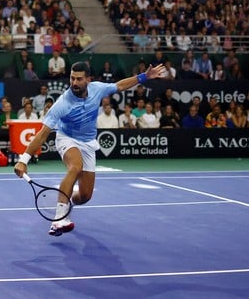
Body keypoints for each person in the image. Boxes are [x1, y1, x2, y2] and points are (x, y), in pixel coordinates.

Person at [14, 61, 167, 236]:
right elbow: (42, 134)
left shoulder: (97, 89)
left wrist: (144, 76)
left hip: (88, 143)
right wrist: (23, 160)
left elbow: (119, 85)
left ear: (88, 79)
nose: (74, 83)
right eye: (72, 78)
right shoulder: (62, 103)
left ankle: (67, 198)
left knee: (85, 196)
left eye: (79, 79)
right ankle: (58, 219)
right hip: (67, 139)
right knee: (75, 167)